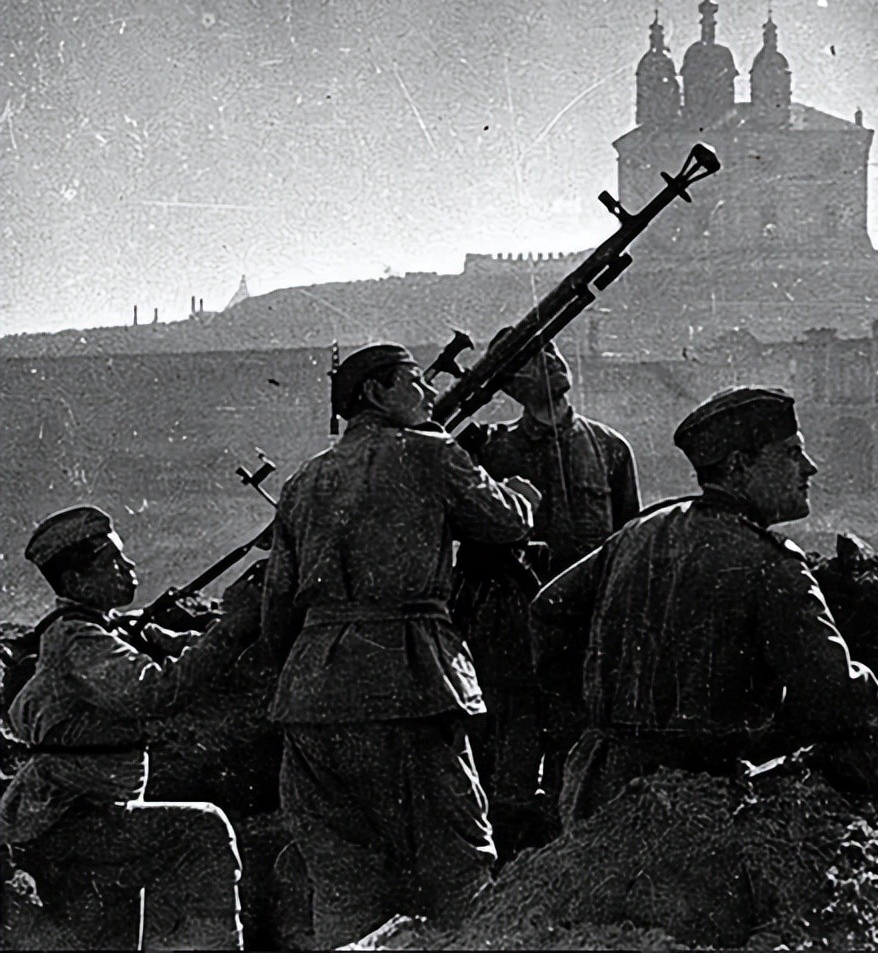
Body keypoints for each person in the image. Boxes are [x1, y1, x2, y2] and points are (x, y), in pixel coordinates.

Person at [259, 342, 540, 949]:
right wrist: (523, 497)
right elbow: (505, 522)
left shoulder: (303, 481)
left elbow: (277, 609)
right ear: (375, 393)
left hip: (312, 697)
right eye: (415, 381)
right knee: (457, 866)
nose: (430, 392)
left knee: (343, 882)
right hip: (413, 683)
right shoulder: (431, 453)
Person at [530, 386, 878, 825]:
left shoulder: (638, 533)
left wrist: (603, 703)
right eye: (790, 453)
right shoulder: (771, 563)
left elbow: (549, 609)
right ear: (739, 465)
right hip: (700, 802)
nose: (809, 467)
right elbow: (834, 694)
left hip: (600, 786)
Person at [1, 505, 261, 950]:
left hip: (90, 813)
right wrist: (231, 630)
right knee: (205, 828)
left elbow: (184, 650)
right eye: (113, 561)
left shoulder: (106, 628)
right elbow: (155, 691)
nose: (129, 566)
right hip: (71, 817)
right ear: (76, 583)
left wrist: (220, 631)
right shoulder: (78, 640)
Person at [466, 334, 640, 849]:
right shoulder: (490, 452)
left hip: (582, 633)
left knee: (579, 757)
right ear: (510, 383)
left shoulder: (609, 449)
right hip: (510, 635)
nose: (551, 362)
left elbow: (626, 546)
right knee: (509, 765)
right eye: (532, 357)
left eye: (553, 350)